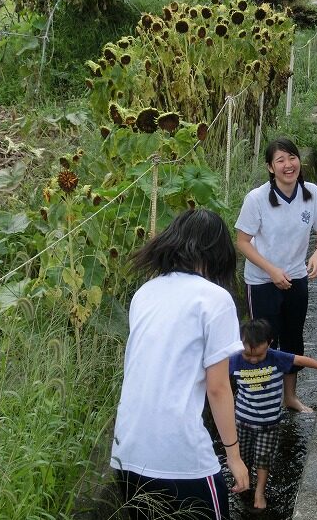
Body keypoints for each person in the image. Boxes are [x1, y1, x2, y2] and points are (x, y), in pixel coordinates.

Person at [110, 209, 249, 519]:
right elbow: (217, 388)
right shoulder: (215, 300)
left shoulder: (144, 293)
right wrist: (234, 456)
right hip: (180, 459)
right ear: (218, 252)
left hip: (127, 454)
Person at [235, 138, 317, 413]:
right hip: (261, 281)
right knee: (263, 342)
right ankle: (260, 401)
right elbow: (242, 241)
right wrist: (271, 270)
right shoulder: (256, 199)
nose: (288, 165)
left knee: (293, 338)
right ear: (270, 167)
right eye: (280, 160)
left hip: (296, 278)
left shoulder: (311, 193)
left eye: (292, 158)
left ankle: (289, 397)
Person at [229, 319, 317, 510]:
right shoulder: (234, 360)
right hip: (242, 421)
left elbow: (298, 360)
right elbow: (215, 375)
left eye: (258, 354)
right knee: (242, 457)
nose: (253, 359)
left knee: (264, 459)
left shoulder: (275, 358)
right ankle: (243, 482)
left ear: (270, 342)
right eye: (248, 354)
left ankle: (259, 492)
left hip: (269, 423)